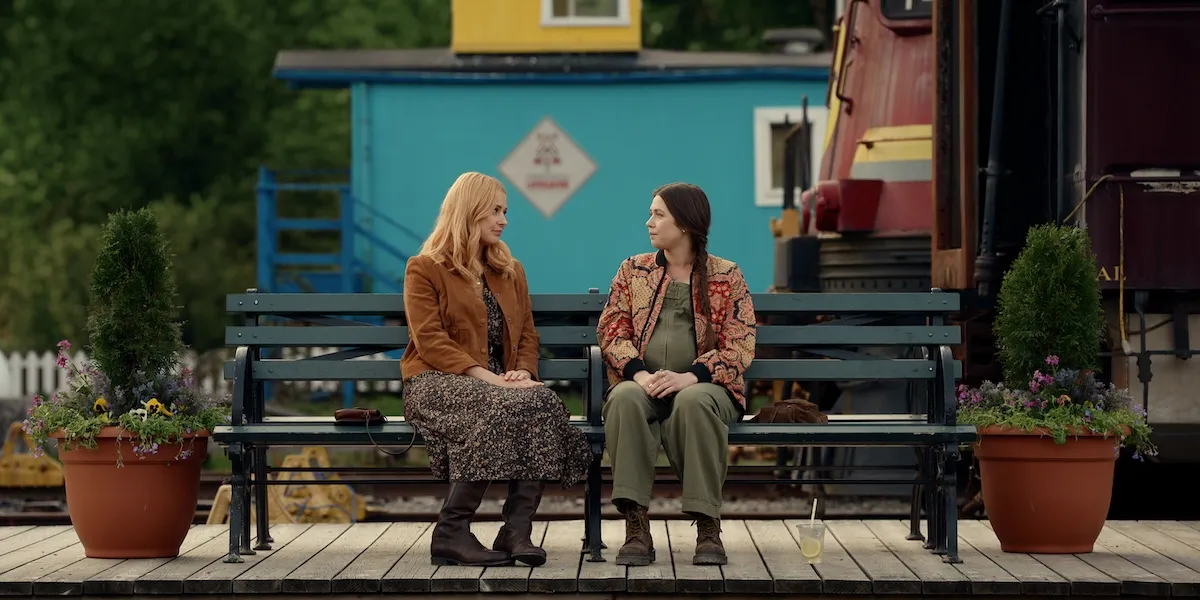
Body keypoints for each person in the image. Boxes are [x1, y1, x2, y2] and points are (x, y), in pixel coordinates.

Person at [401, 171, 593, 568]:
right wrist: (488, 377)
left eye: (505, 211)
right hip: (436, 380)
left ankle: (516, 531)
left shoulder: (510, 270)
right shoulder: (425, 268)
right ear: (469, 211)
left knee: (539, 399)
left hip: (499, 384)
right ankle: (452, 531)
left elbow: (527, 335)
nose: (503, 219)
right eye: (494, 210)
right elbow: (429, 340)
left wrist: (522, 372)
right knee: (508, 406)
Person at [596, 182, 756, 567]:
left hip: (707, 388)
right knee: (623, 400)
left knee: (694, 401)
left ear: (684, 223)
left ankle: (707, 525)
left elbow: (741, 344)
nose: (648, 222)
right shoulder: (633, 270)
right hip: (643, 384)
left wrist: (693, 376)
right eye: (651, 213)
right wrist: (637, 375)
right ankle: (636, 526)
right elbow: (611, 328)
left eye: (658, 214)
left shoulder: (726, 275)